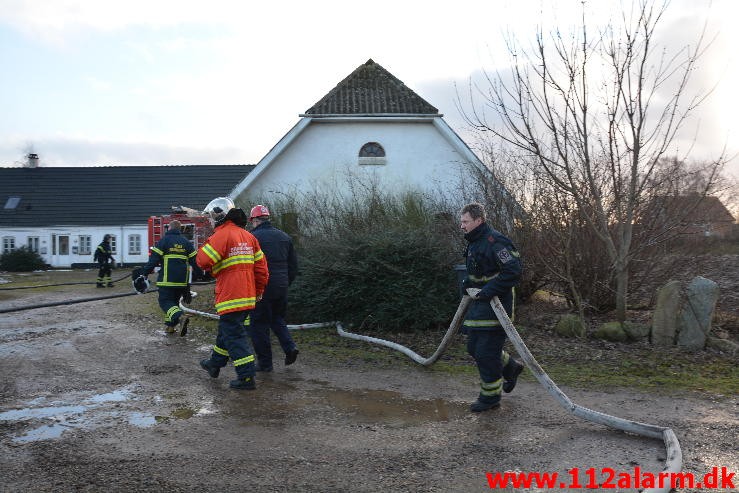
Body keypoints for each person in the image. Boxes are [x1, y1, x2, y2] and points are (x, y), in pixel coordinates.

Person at [197, 197, 269, 390]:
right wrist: (259, 291)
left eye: (210, 218)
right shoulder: (249, 236)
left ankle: (246, 377)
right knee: (227, 331)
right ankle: (215, 364)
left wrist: (206, 243)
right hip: (248, 295)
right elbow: (262, 270)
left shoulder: (222, 235)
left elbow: (203, 261)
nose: (210, 222)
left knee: (235, 335)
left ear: (217, 216)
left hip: (230, 296)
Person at [460, 202, 525, 412]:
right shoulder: (474, 243)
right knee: (474, 348)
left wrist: (488, 291)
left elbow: (512, 270)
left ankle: (490, 398)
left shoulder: (495, 242)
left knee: (486, 353)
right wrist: (467, 285)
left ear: (479, 221)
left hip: (498, 307)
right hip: (481, 304)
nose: (462, 226)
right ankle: (511, 367)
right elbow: (477, 273)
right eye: (461, 222)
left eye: (465, 221)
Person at [246, 205, 299, 372]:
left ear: (254, 220)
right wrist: (285, 283)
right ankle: (290, 347)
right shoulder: (284, 236)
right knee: (277, 319)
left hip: (261, 287)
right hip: (281, 286)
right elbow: (293, 266)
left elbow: (248, 266)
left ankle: (265, 364)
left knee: (259, 325)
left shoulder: (252, 238)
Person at [140, 220, 200, 335]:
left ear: (169, 229)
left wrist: (145, 273)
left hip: (167, 280)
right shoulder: (186, 242)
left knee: (165, 302)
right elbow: (195, 262)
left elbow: (154, 259)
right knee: (174, 303)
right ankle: (170, 327)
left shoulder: (164, 241)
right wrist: (200, 274)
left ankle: (180, 317)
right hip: (182, 281)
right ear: (180, 230)